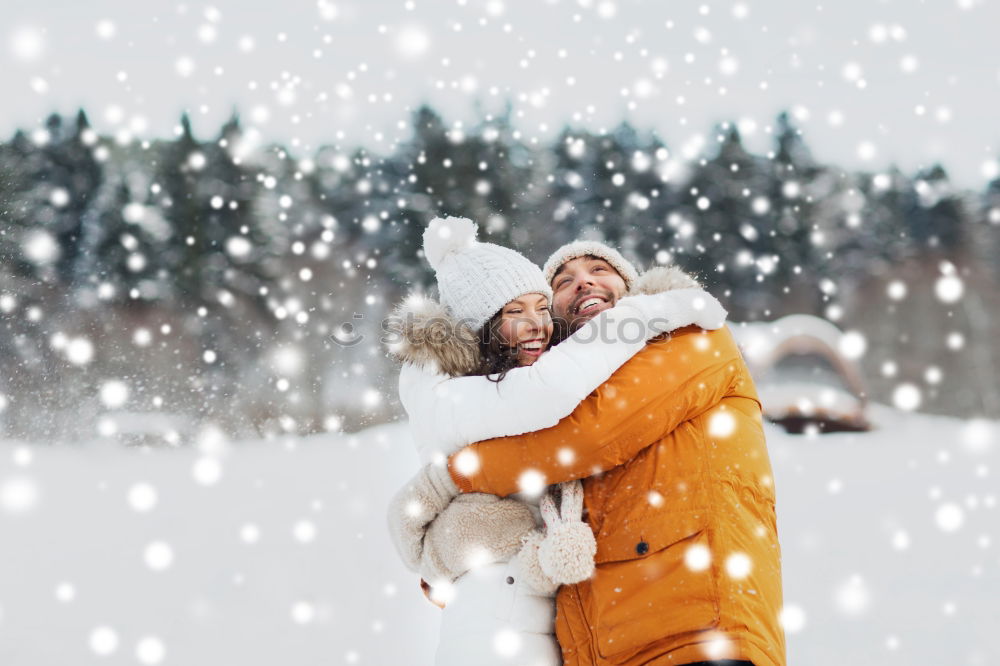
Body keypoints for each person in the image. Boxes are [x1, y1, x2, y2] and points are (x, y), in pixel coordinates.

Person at [421, 239, 787, 666]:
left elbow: (588, 437)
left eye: (599, 269)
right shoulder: (557, 395)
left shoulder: (689, 335)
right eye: (563, 281)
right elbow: (523, 515)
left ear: (630, 288)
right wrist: (448, 555)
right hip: (605, 648)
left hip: (698, 630)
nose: (583, 282)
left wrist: (457, 476)